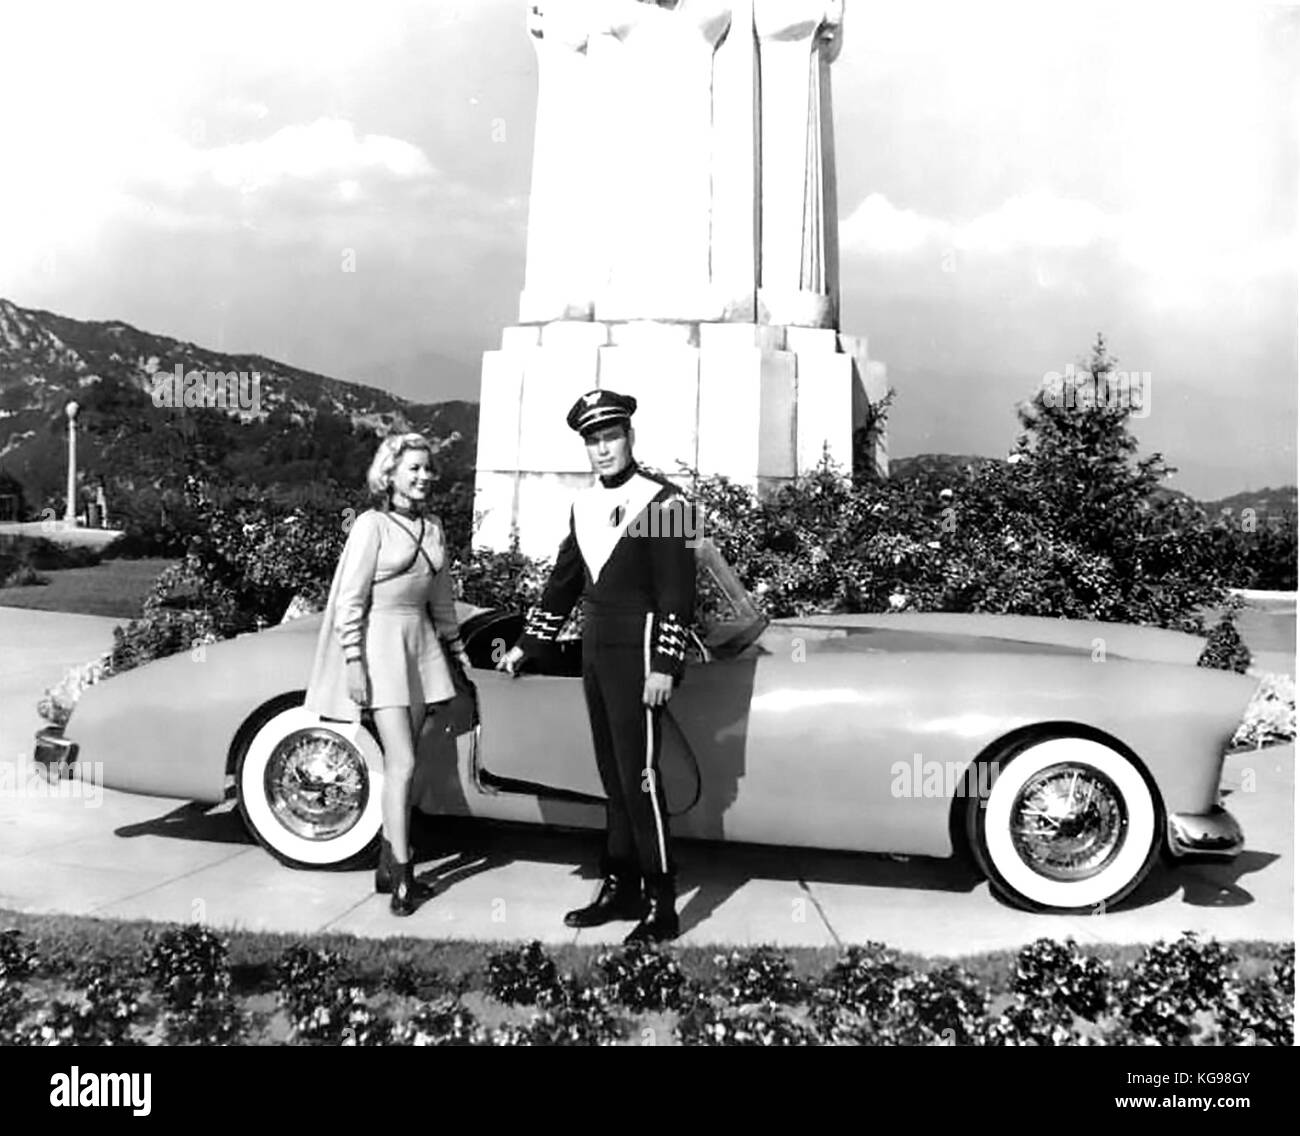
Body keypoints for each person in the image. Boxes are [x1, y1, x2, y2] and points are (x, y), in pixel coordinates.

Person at [497, 389, 696, 943]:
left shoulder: (667, 503)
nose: (602, 449)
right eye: (592, 440)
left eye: (611, 436)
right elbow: (563, 585)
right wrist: (526, 645)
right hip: (595, 654)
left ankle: (662, 902)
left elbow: (677, 593)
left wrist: (664, 663)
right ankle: (619, 885)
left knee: (642, 778)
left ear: (630, 437)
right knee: (613, 777)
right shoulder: (583, 505)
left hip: (640, 654)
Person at [304, 433, 472, 915]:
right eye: (413, 468)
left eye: (427, 468)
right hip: (380, 648)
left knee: (412, 760)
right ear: (390, 474)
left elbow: (441, 601)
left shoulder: (435, 528)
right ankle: (403, 875)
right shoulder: (370, 525)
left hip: (421, 647)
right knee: (401, 763)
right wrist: (354, 662)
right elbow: (350, 602)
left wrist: (457, 654)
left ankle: (385, 859)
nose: (423, 477)